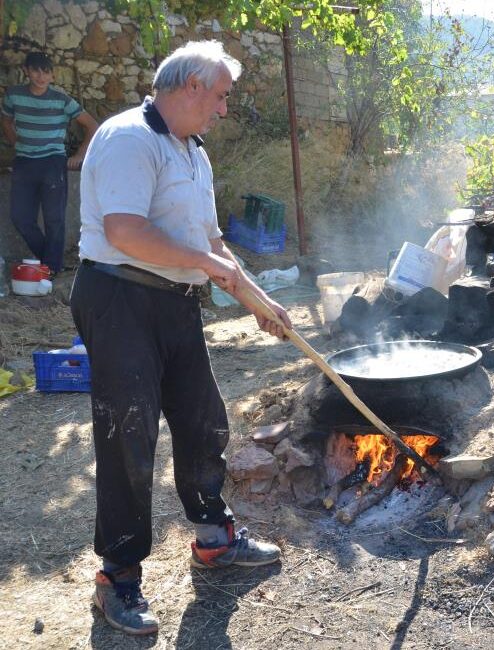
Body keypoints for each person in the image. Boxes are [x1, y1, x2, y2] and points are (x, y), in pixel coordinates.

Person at [71, 41, 293, 636]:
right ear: (190, 85)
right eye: (219, 96)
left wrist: (259, 302)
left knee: (204, 421)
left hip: (174, 301)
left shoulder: (193, 153)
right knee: (129, 434)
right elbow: (124, 232)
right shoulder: (127, 139)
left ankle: (214, 539)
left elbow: (213, 246)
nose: (223, 110)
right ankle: (117, 577)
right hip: (119, 297)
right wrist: (208, 264)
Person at [1, 51, 98, 273]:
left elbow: (92, 125)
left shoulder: (61, 100)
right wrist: (18, 143)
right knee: (20, 217)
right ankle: (50, 262)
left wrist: (79, 156)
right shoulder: (14, 96)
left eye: (46, 72)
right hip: (24, 162)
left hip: (53, 163)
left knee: (54, 219)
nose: (40, 76)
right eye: (35, 70)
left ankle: (50, 270)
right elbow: (6, 121)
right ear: (26, 71)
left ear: (52, 75)